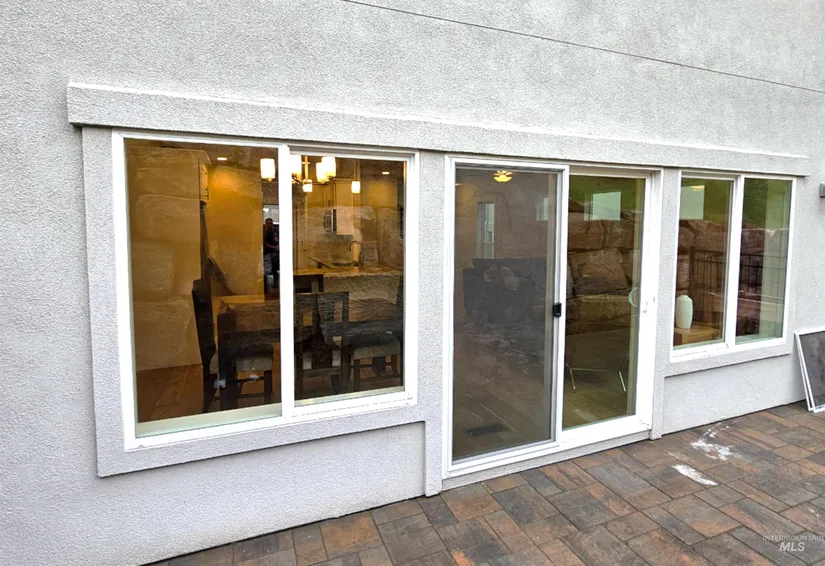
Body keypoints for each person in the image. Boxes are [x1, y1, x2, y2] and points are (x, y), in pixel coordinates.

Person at [263, 219, 279, 291]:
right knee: (267, 270)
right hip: (267, 252)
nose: (270, 225)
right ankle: (266, 286)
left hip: (273, 252)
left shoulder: (273, 231)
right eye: (268, 223)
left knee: (274, 268)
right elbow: (264, 243)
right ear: (266, 223)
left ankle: (274, 284)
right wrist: (273, 247)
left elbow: (276, 240)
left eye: (271, 223)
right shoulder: (264, 231)